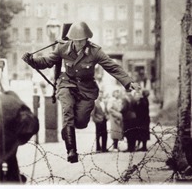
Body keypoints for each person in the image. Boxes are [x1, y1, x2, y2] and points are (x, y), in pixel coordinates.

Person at [22, 21, 140, 163]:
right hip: (67, 84)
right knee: (67, 110)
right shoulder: (62, 47)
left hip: (87, 89)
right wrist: (32, 60)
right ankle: (71, 151)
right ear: (71, 39)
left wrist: (128, 81)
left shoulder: (95, 51)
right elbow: (47, 61)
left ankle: (67, 130)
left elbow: (112, 66)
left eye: (81, 41)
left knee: (81, 121)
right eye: (75, 41)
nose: (78, 44)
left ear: (87, 39)